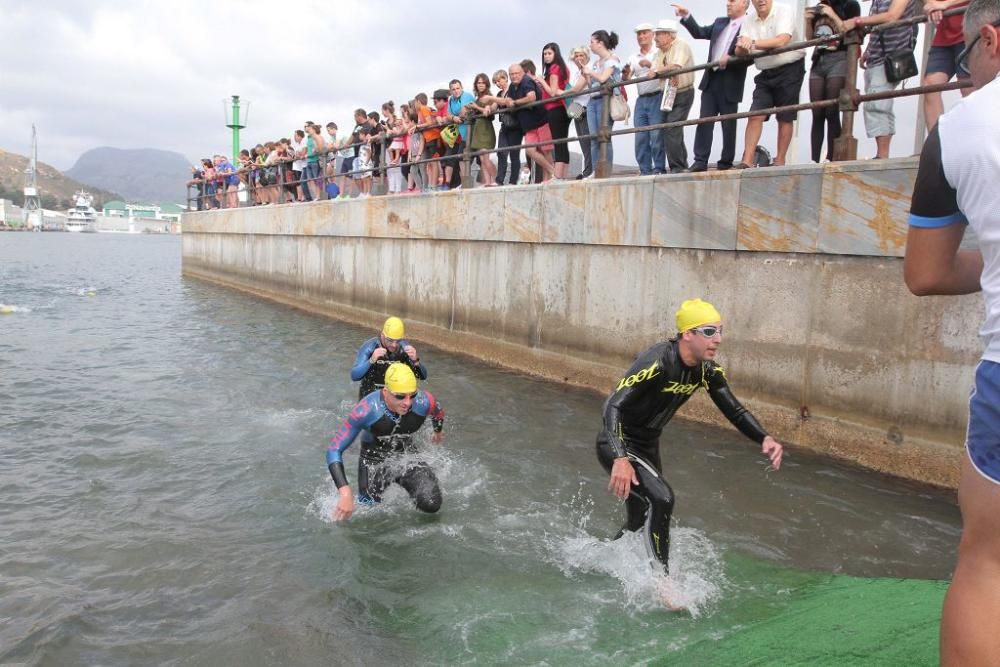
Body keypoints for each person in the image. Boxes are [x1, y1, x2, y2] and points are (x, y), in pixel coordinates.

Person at [903, 2, 1000, 662]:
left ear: (990, 39)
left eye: (967, 64)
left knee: (988, 560)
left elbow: (926, 273)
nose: (966, 80)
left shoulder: (962, 129)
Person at [596, 299, 784, 582]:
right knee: (663, 499)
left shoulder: (707, 372)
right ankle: (662, 581)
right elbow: (613, 406)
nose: (717, 339)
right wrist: (621, 458)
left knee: (640, 517)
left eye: (720, 331)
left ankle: (604, 559)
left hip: (647, 447)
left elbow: (734, 409)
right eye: (709, 332)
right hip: (618, 442)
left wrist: (764, 437)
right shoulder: (658, 362)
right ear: (687, 334)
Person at [327, 363, 446, 521]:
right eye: (400, 396)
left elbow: (438, 413)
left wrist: (438, 431)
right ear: (385, 392)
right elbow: (334, 450)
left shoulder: (425, 401)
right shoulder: (366, 410)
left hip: (407, 457)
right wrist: (345, 492)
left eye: (413, 395)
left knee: (432, 504)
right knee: (369, 516)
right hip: (373, 461)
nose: (408, 402)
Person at [674, 0, 752, 172]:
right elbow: (699, 32)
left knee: (728, 123)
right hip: (712, 78)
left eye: (733, 0)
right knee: (704, 120)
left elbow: (751, 57)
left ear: (745, 3)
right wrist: (686, 16)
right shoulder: (720, 22)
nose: (728, 3)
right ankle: (700, 160)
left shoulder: (750, 25)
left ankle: (725, 162)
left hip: (731, 78)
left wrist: (731, 58)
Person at [734, 0, 807, 167]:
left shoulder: (784, 11)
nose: (761, 1)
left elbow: (782, 40)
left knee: (785, 116)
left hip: (790, 68)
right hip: (765, 71)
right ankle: (747, 160)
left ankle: (780, 160)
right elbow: (739, 50)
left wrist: (751, 43)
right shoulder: (749, 19)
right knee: (755, 114)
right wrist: (743, 46)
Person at [842, 0, 918, 159]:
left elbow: (892, 16)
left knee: (876, 103)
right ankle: (883, 153)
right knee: (880, 102)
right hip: (878, 56)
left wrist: (856, 21)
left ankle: (882, 154)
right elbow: (879, 24)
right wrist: (869, 50)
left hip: (891, 56)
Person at [805, 0, 861, 163]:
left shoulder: (850, 5)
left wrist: (832, 14)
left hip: (839, 57)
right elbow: (810, 39)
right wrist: (808, 20)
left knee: (831, 110)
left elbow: (850, 32)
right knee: (817, 112)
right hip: (818, 59)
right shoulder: (819, 7)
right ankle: (814, 159)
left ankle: (831, 156)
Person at [494, 63, 558, 183]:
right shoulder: (513, 86)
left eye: (516, 73)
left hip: (541, 121)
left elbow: (531, 97)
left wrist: (515, 103)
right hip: (529, 125)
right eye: (512, 74)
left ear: (522, 73)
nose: (514, 76)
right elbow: (509, 100)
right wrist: (502, 100)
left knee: (546, 151)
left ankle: (548, 179)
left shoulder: (526, 81)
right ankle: (553, 172)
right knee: (530, 150)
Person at [651, 19, 697, 173]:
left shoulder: (680, 45)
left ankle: (678, 166)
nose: (655, 37)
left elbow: (676, 66)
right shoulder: (659, 52)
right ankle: (680, 165)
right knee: (671, 130)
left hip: (683, 91)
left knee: (672, 128)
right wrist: (659, 70)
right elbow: (653, 70)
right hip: (668, 93)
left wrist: (659, 71)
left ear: (669, 35)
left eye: (658, 34)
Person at [921, 0, 972, 131]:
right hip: (944, 33)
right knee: (930, 85)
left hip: (970, 29)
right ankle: (937, 144)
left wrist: (944, 4)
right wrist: (932, 4)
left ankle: (975, 141)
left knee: (969, 89)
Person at [351, 316, 428, 400]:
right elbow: (354, 376)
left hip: (394, 396)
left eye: (398, 341)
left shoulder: (405, 348)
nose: (394, 345)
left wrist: (416, 361)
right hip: (370, 394)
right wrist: (371, 360)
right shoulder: (370, 347)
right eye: (390, 340)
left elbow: (423, 377)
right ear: (382, 335)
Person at [625, 23, 667, 175]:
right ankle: (645, 169)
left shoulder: (659, 51)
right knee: (641, 136)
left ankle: (659, 168)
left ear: (652, 34)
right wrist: (626, 73)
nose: (641, 36)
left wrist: (650, 64)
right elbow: (627, 77)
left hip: (657, 95)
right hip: (641, 99)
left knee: (656, 134)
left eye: (644, 33)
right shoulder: (633, 57)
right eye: (639, 34)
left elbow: (666, 67)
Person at [581, 29, 624, 175]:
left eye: (592, 42)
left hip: (605, 101)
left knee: (604, 136)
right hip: (593, 100)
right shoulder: (596, 62)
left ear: (600, 43)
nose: (590, 45)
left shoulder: (612, 59)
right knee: (594, 138)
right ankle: (595, 170)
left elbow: (603, 78)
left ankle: (605, 170)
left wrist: (591, 73)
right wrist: (586, 74)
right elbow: (591, 84)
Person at [567, 47, 595, 179]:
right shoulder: (577, 73)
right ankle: (587, 170)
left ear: (587, 57)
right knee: (583, 142)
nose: (579, 58)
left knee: (588, 141)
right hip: (578, 109)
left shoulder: (587, 70)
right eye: (576, 56)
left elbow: (576, 89)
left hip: (587, 108)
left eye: (581, 55)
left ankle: (590, 170)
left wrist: (559, 93)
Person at [492, 69, 523, 185]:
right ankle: (499, 180)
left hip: (516, 125)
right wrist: (488, 108)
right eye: (496, 82)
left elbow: (508, 102)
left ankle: (513, 181)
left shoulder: (513, 89)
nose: (498, 84)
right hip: (504, 125)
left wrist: (493, 100)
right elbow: (494, 106)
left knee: (514, 154)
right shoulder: (498, 94)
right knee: (501, 152)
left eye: (499, 81)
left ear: (505, 78)